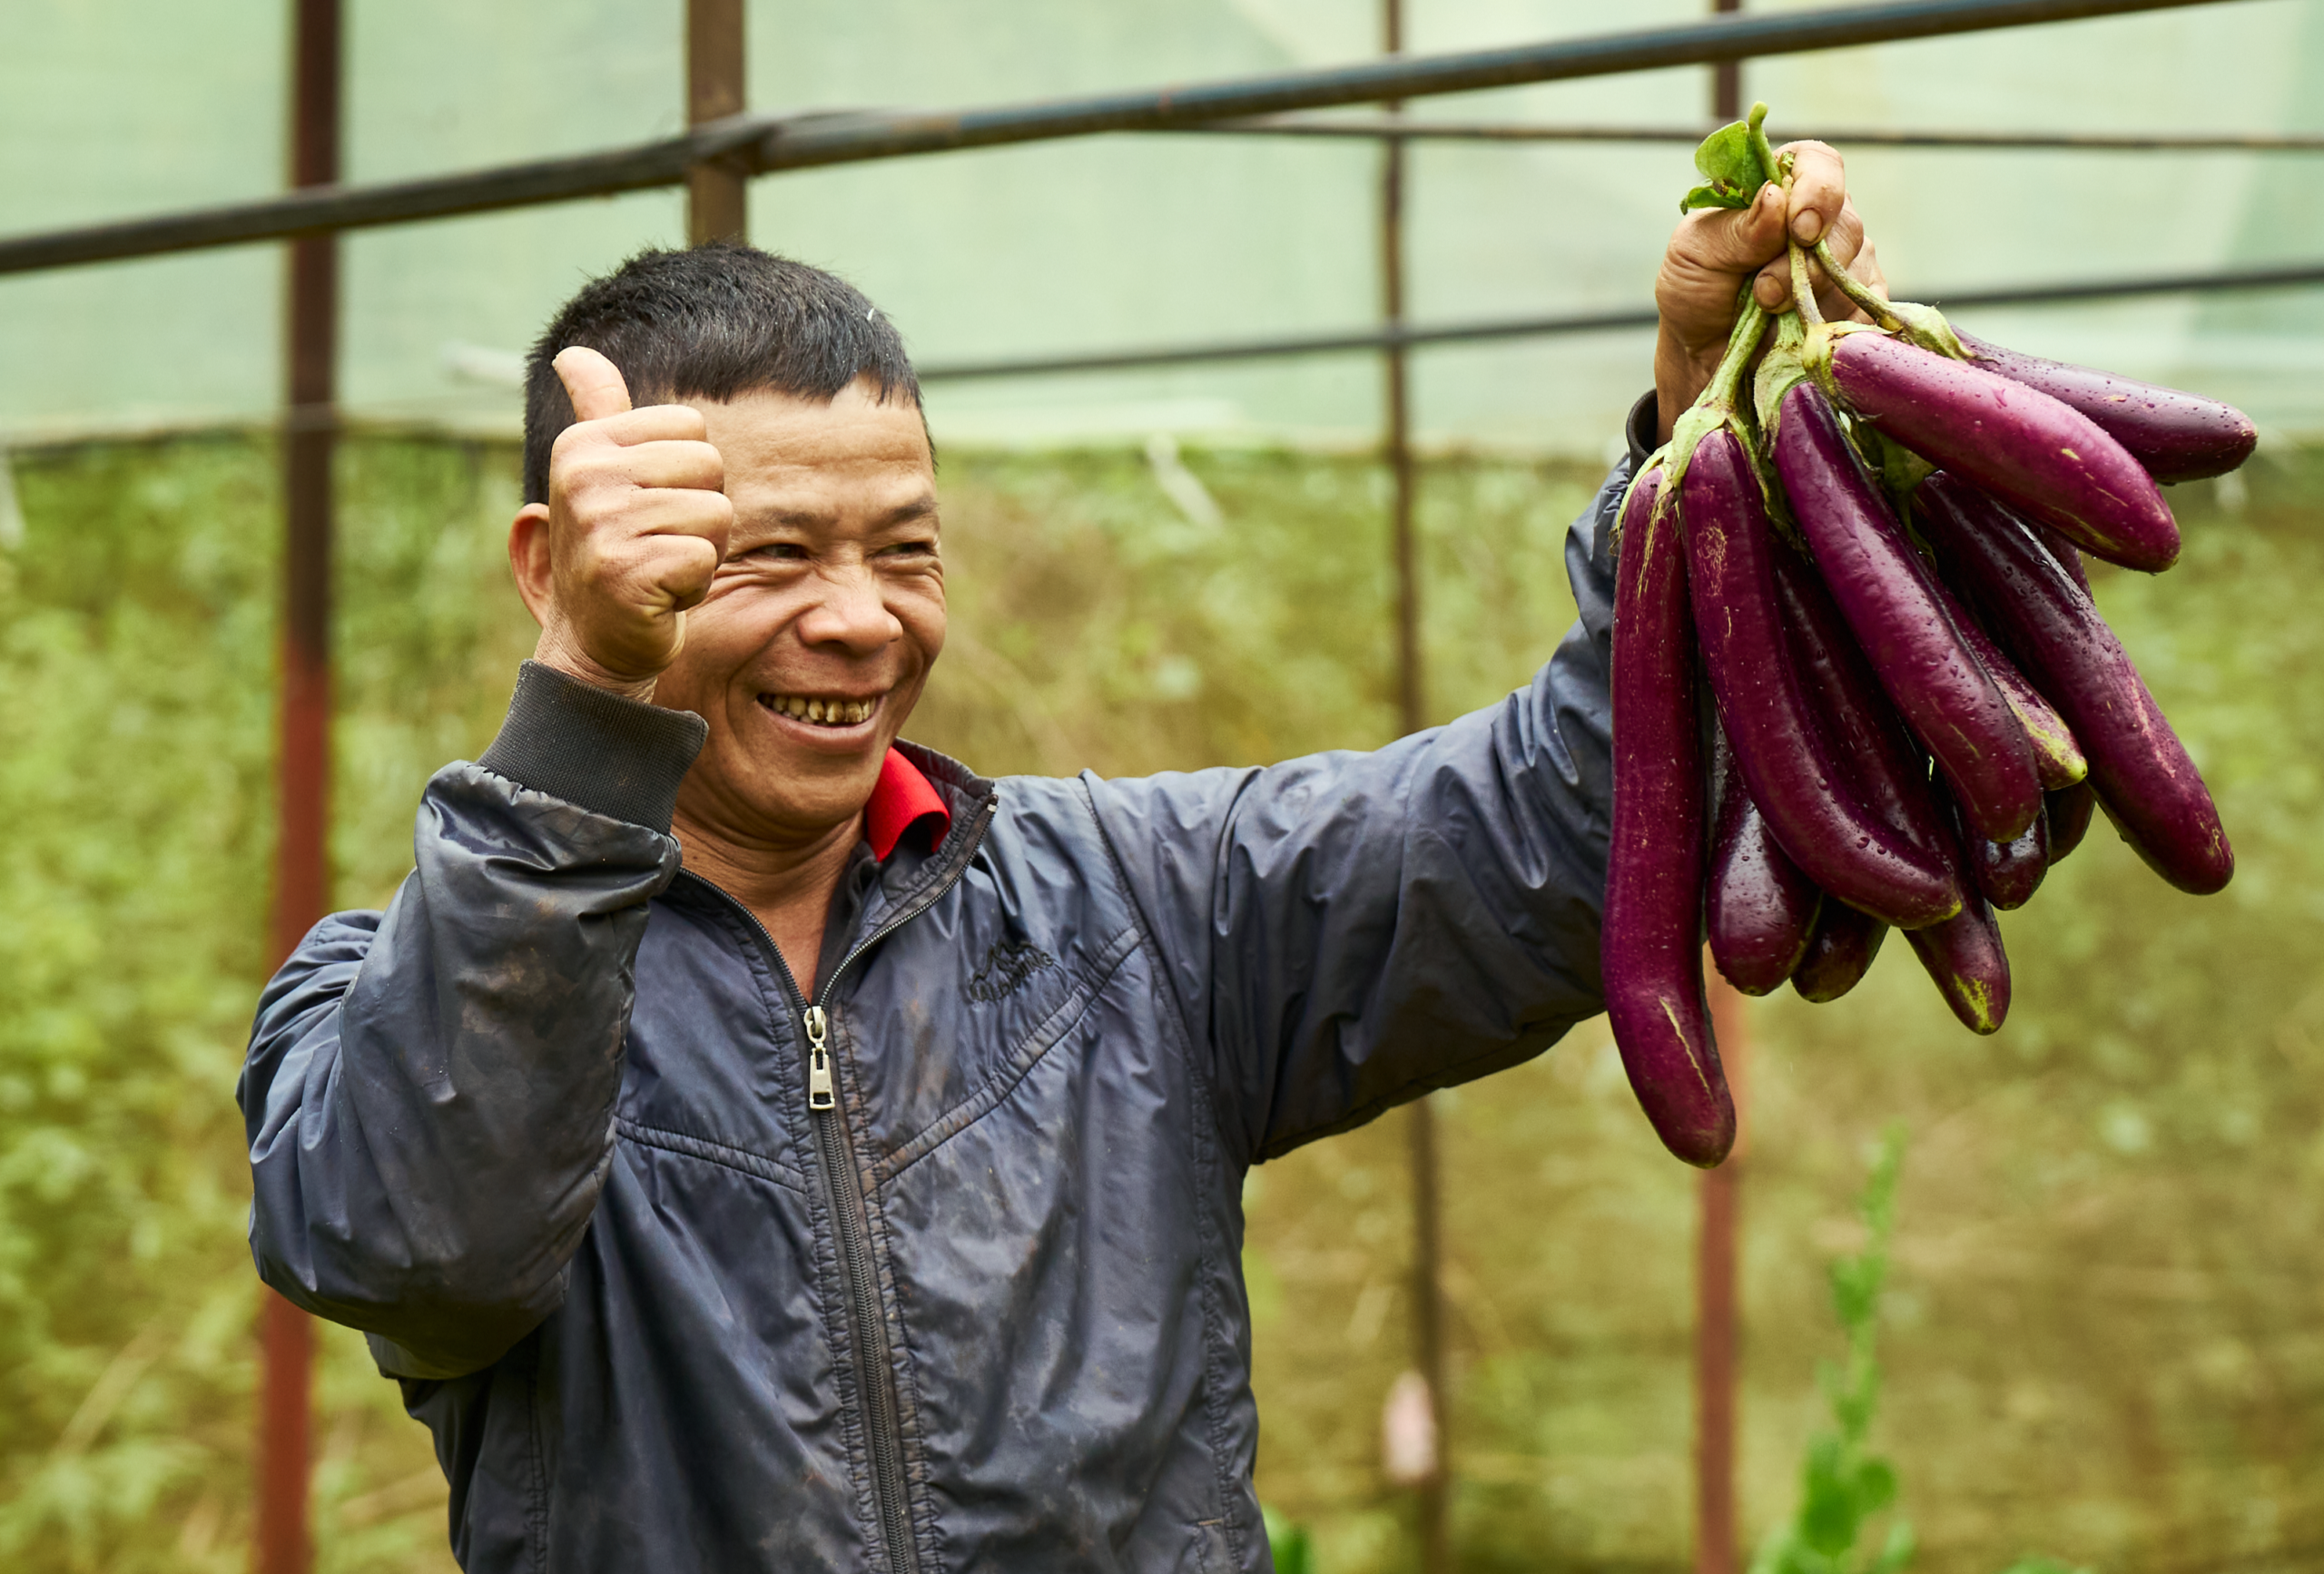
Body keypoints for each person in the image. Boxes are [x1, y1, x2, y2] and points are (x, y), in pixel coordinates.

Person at [240, 148, 1881, 1573]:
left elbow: (1557, 829)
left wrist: (1704, 446)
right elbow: (418, 1245)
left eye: (904, 549)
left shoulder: (1134, 909)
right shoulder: (405, 1002)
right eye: (769, 555)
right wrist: (587, 707)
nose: (861, 619)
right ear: (559, 571)